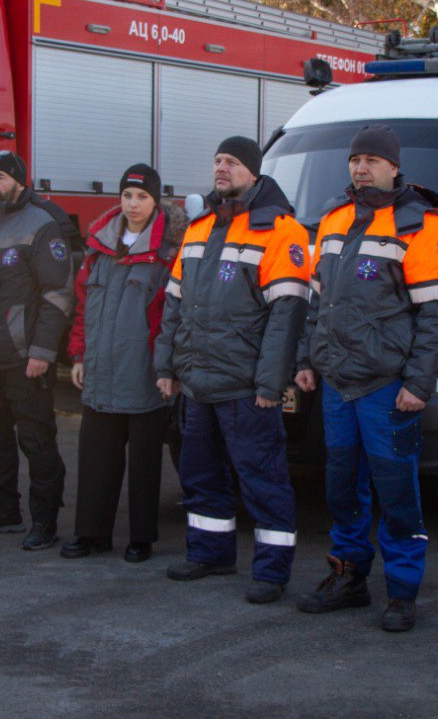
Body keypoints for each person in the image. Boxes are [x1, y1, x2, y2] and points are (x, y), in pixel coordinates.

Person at [292, 125, 438, 633]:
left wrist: (419, 383)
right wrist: (305, 358)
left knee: (396, 491)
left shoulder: (421, 225)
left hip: (387, 386)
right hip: (337, 383)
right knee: (342, 486)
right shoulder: (334, 218)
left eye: (371, 160)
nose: (361, 168)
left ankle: (403, 592)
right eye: (355, 160)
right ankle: (349, 578)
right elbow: (318, 300)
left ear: (393, 166)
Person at [154, 136, 311, 605]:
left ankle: (272, 572)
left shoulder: (281, 231)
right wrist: (167, 366)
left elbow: (287, 317)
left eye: (232, 162)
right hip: (197, 383)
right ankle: (210, 553)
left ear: (254, 171)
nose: (221, 168)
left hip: (246, 387)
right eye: (217, 160)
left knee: (262, 479)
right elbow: (174, 305)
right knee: (199, 475)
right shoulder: (200, 226)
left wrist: (270, 383)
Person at [62, 164, 186, 563]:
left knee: (144, 462)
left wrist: (168, 369)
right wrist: (79, 354)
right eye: (127, 196)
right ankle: (91, 533)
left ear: (156, 200)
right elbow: (83, 305)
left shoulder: (169, 251)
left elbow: (173, 316)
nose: (133, 204)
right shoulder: (100, 243)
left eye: (142, 197)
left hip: (144, 372)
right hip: (100, 370)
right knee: (96, 459)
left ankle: (141, 537)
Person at [0, 150, 76, 552]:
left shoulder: (41, 225)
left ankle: (44, 519)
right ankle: (3, 510)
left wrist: (42, 351)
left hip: (25, 359)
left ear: (20, 183)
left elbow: (58, 294)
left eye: (0, 178)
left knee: (37, 441)